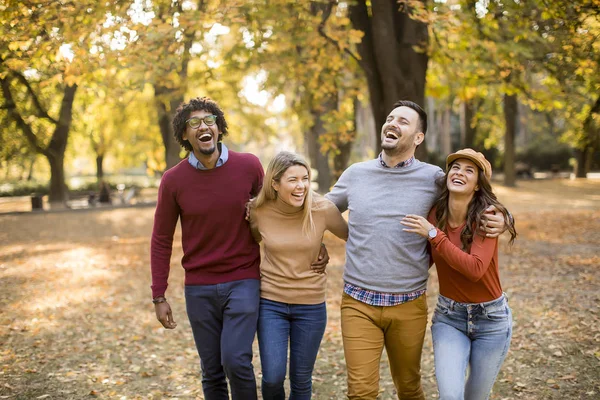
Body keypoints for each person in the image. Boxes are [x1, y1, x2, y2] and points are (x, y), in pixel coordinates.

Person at [325, 100, 508, 400]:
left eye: (403, 121)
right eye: (390, 117)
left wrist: (503, 218)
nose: (393, 123)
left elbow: (478, 196)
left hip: (409, 303)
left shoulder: (435, 178)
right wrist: (347, 236)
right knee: (360, 393)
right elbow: (322, 209)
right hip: (358, 301)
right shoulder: (356, 173)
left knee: (409, 388)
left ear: (418, 137)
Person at [149, 97, 329, 400]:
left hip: (243, 279)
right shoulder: (173, 180)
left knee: (235, 360)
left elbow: (279, 210)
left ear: (219, 129)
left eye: (209, 120)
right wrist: (158, 294)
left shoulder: (248, 166)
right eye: (194, 123)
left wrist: (314, 241)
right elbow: (161, 238)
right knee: (211, 370)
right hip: (198, 287)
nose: (203, 126)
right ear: (184, 135)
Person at [401, 149, 516, 400]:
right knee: (450, 396)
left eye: (469, 170)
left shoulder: (486, 217)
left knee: (475, 397)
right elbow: (427, 258)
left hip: (491, 320)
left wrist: (434, 234)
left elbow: (474, 269)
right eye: (456, 167)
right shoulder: (436, 214)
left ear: (477, 185)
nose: (460, 173)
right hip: (449, 317)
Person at [248, 151, 348, 400]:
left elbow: (354, 237)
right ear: (275, 183)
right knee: (272, 377)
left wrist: (323, 250)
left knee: (301, 379)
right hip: (271, 303)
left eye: (305, 178)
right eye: (293, 180)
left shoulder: (322, 208)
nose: (301, 186)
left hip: (311, 306)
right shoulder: (259, 212)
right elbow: (251, 242)